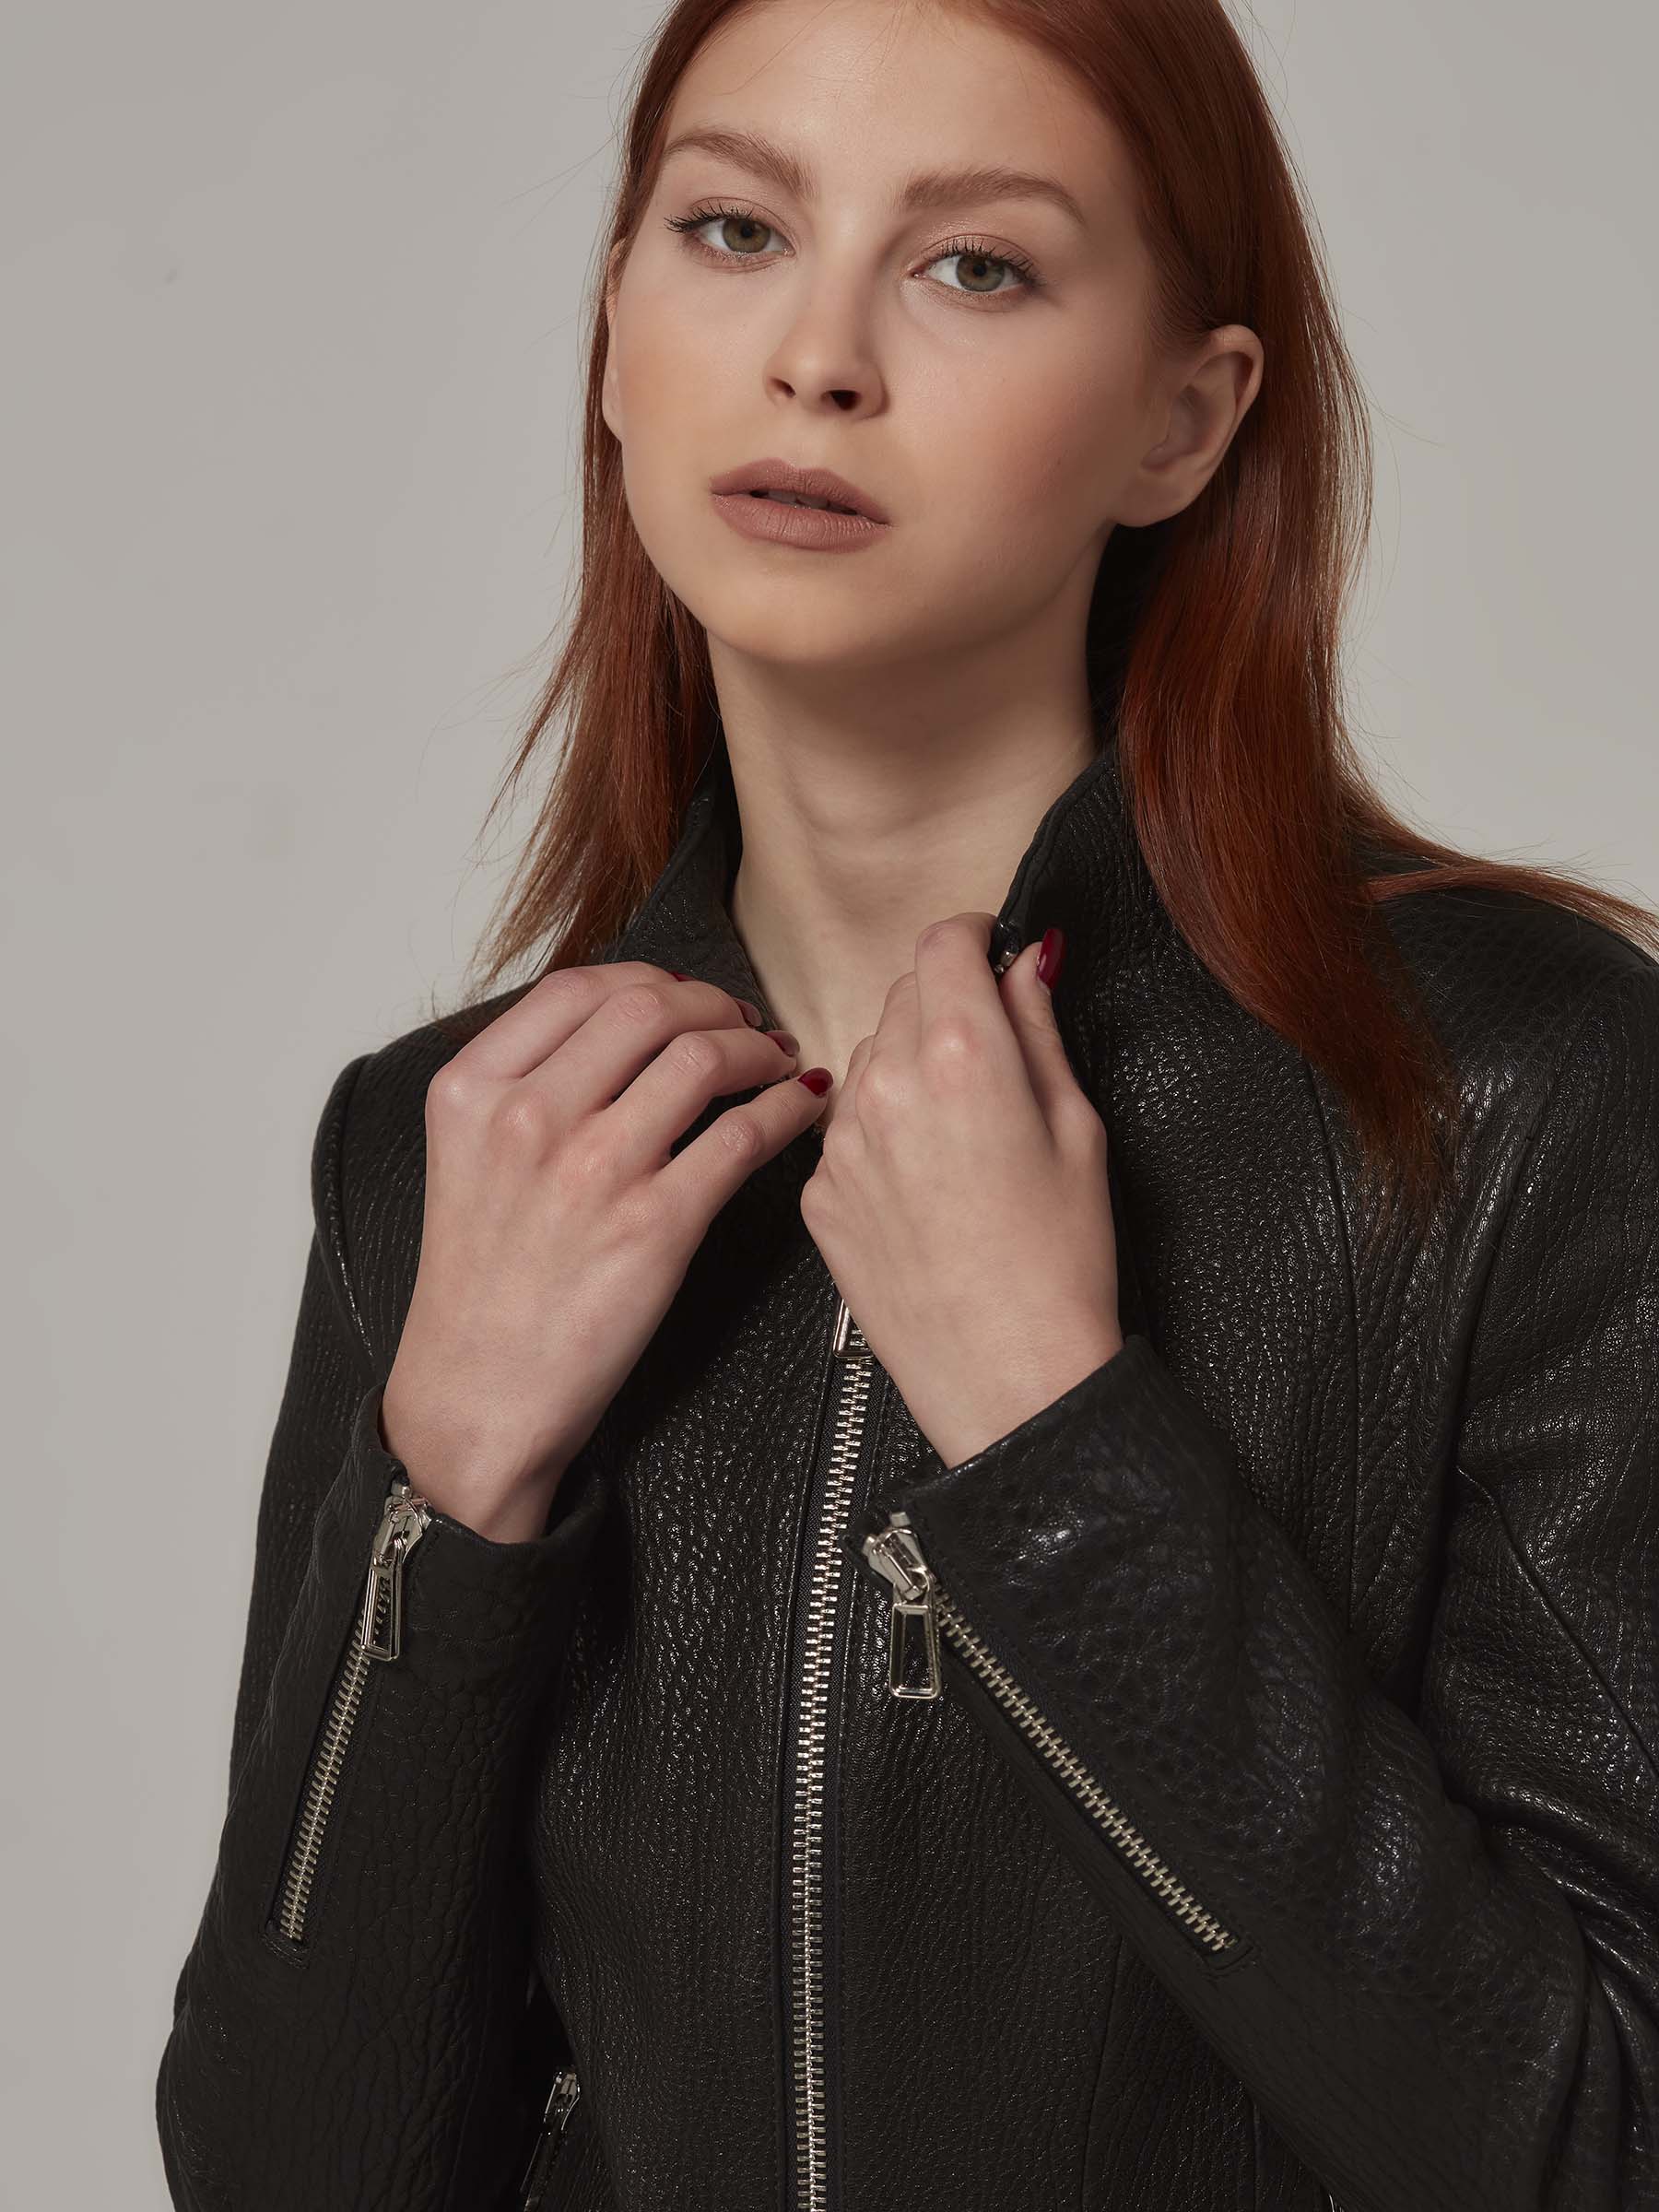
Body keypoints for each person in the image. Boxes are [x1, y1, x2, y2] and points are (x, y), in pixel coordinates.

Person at [155, 0, 1659, 2206]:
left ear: (1183, 416)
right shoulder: (453, 1147)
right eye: (736, 226)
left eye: (975, 265)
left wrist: (1059, 1445)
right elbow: (288, 2178)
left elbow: (1594, 2146)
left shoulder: (1510, 1088)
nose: (818, 357)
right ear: (612, 334)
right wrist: (449, 1493)